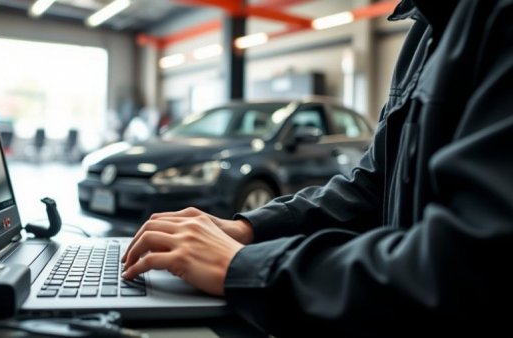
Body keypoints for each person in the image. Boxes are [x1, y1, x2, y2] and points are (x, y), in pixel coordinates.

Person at [122, 0, 513, 336]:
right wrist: (248, 230)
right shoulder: (424, 32)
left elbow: (472, 265)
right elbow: (369, 188)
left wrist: (246, 268)